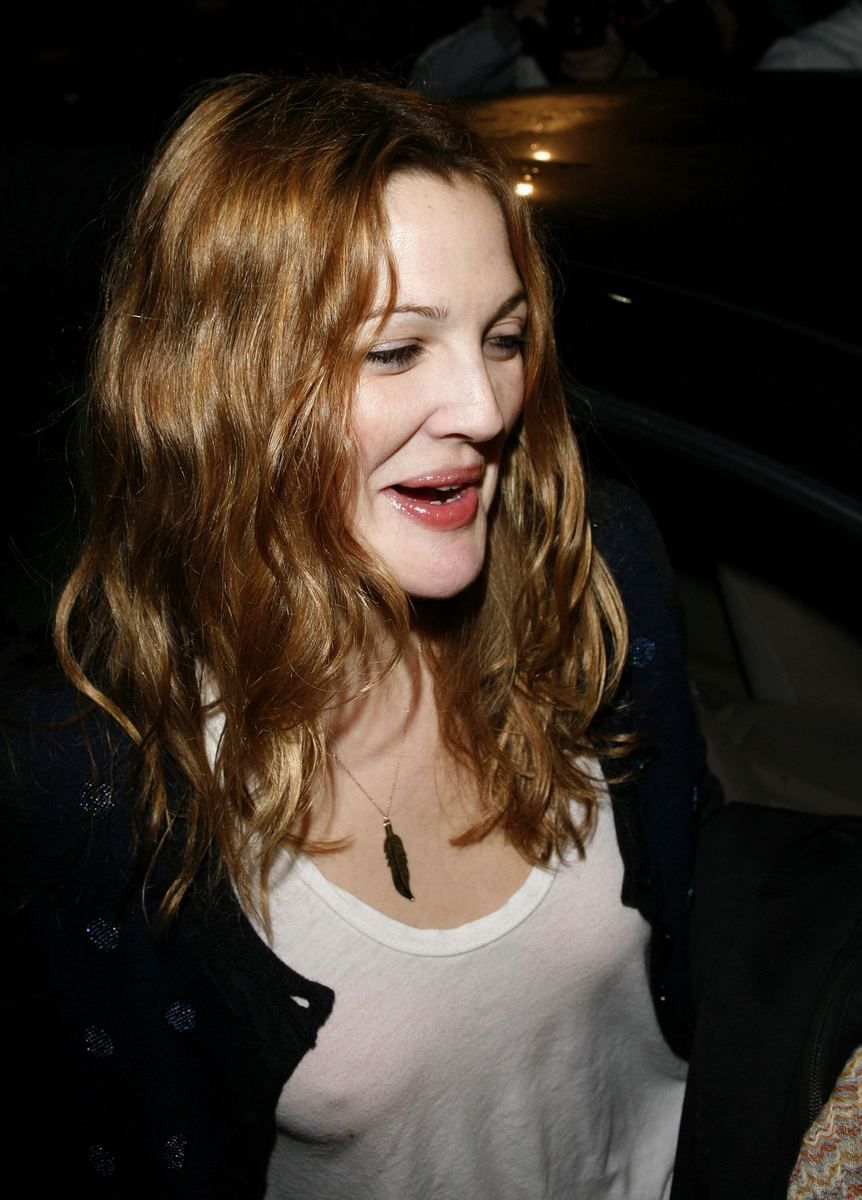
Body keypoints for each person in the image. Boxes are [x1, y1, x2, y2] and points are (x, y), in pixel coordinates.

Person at [3, 76, 709, 1197]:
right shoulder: (93, 773)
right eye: (395, 351)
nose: (485, 407)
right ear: (222, 383)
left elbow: (705, 915)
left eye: (505, 336)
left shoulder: (596, 572)